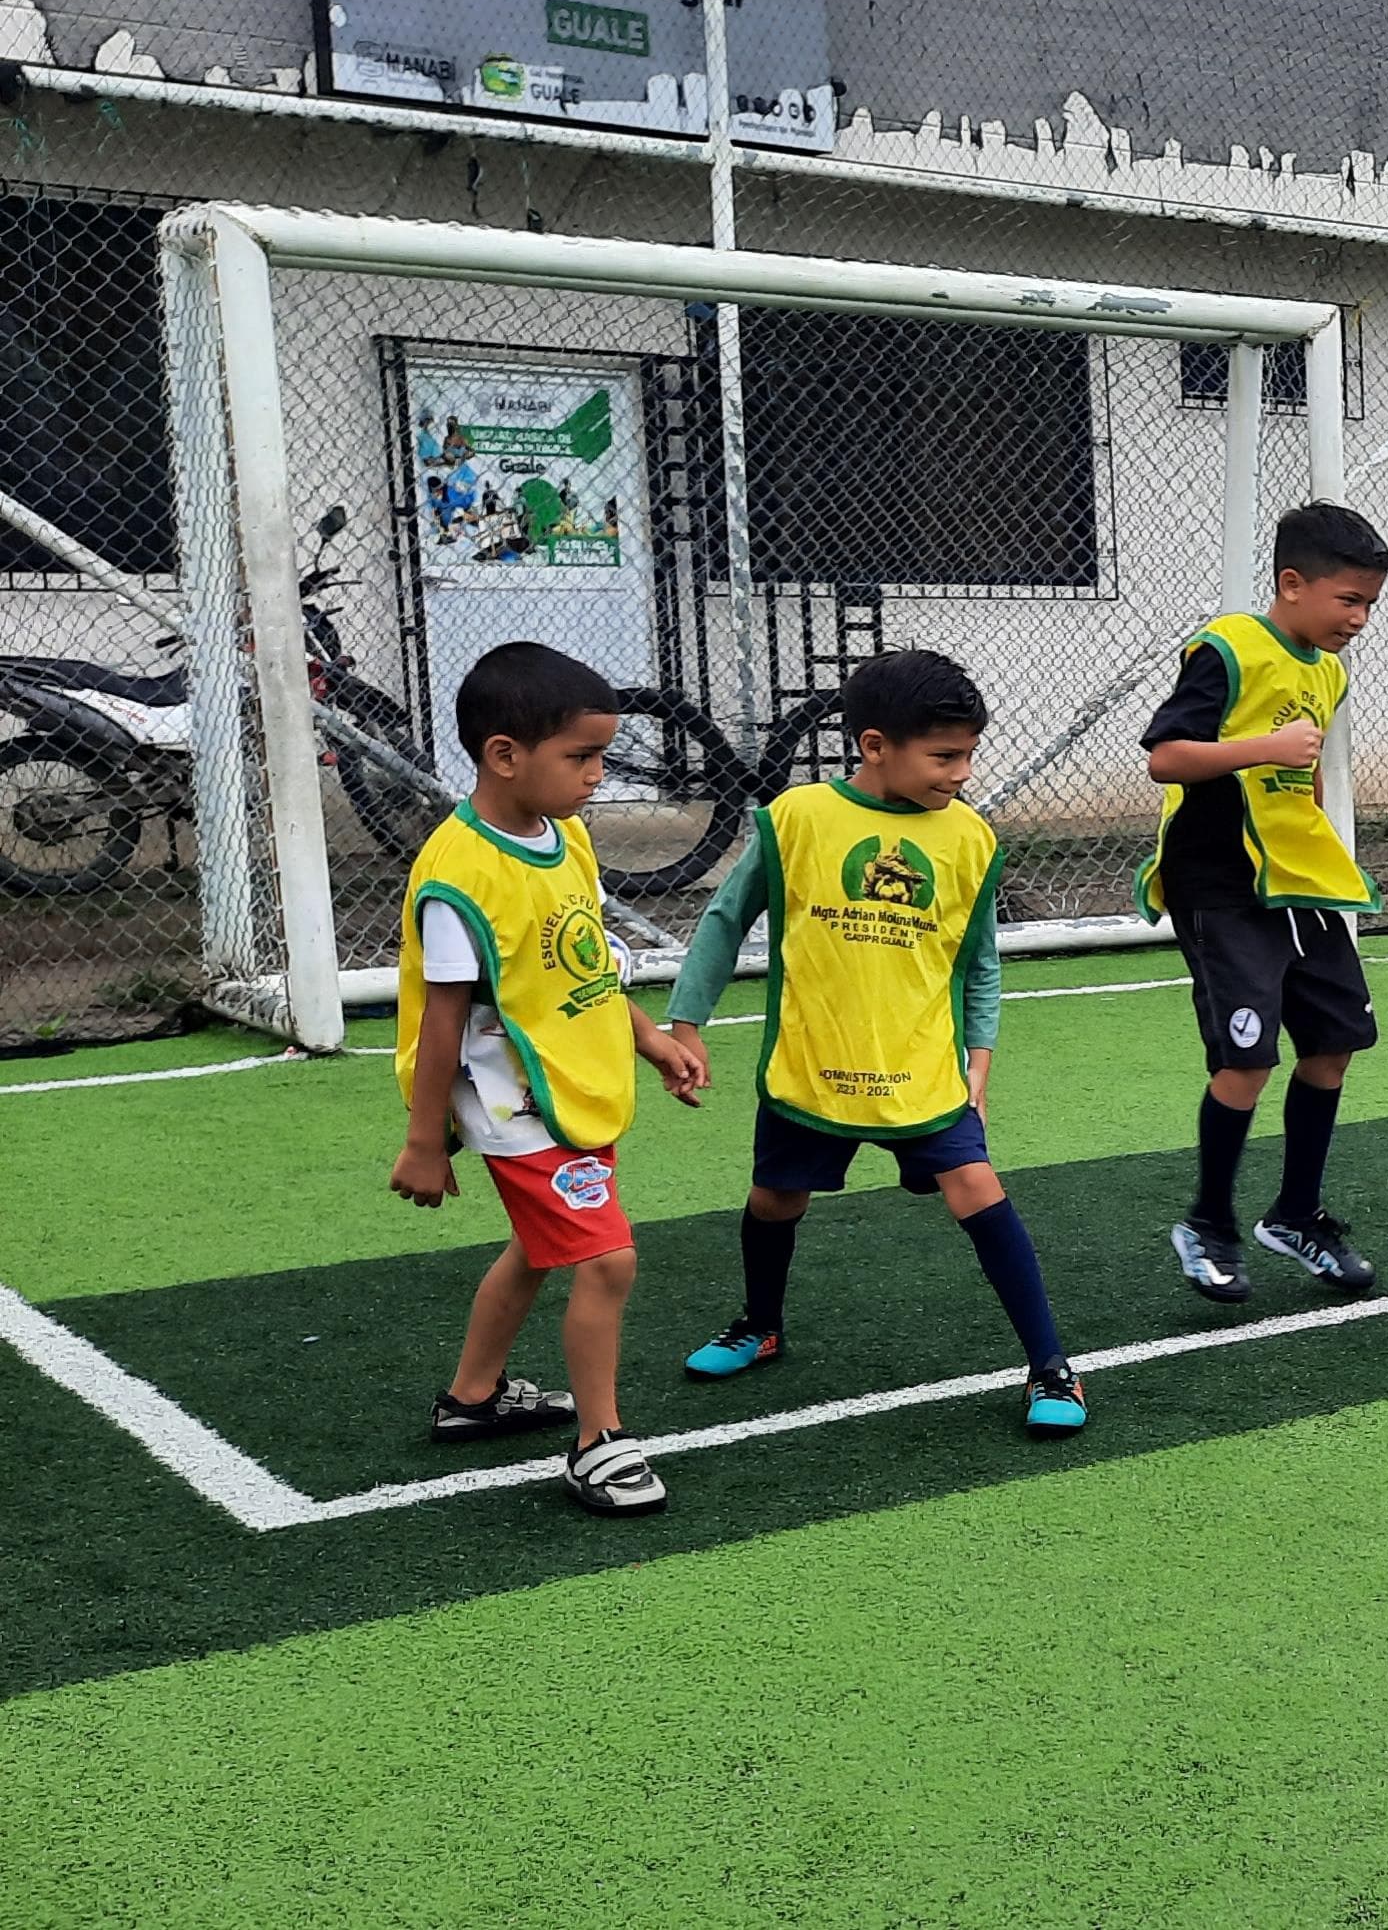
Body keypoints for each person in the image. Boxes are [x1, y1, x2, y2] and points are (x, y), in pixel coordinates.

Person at [659, 650, 1086, 1438]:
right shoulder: (797, 819)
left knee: (977, 1189)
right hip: (812, 1063)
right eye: (944, 756)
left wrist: (979, 1062)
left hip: (921, 1068)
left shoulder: (970, 839)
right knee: (774, 1199)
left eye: (969, 753)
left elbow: (979, 962)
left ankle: (1051, 1364)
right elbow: (724, 919)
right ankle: (760, 1324)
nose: (962, 772)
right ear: (875, 745)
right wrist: (686, 1024)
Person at [387, 640, 706, 1517]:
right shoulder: (458, 876)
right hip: (512, 1099)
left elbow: (582, 964)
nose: (599, 775)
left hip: (568, 1081)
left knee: (542, 1246)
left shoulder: (567, 839)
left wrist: (647, 1038)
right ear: (505, 754)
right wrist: (424, 1141)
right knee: (607, 1260)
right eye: (583, 756)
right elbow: (441, 1021)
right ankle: (599, 1442)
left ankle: (473, 1396)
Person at [1138, 501, 1388, 1304]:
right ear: (1292, 583)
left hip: (1299, 881)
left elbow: (1304, 768)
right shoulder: (1227, 648)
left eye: (1369, 604)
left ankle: (1295, 1214)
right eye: (1348, 600)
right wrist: (1264, 748)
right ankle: (1208, 1224)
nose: (1359, 619)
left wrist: (1306, 801)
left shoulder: (1328, 670)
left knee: (1335, 1042)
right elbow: (1165, 758)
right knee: (1247, 1059)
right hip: (1220, 883)